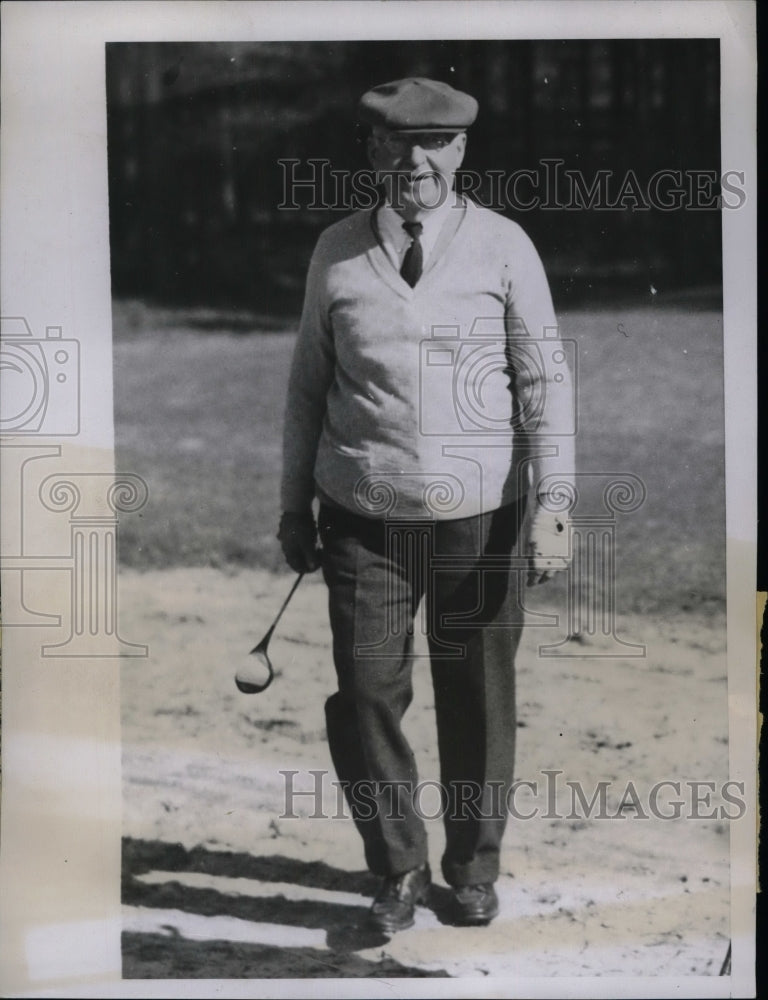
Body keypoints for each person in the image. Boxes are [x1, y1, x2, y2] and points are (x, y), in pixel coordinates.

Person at [278, 77, 574, 932]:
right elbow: (307, 386)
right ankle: (397, 868)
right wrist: (294, 505)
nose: (416, 161)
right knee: (366, 694)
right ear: (372, 152)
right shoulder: (335, 250)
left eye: (435, 143)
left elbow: (544, 383)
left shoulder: (506, 247)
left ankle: (473, 869)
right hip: (362, 521)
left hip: (482, 518)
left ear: (461, 151)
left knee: (477, 692)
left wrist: (554, 506)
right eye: (397, 144)